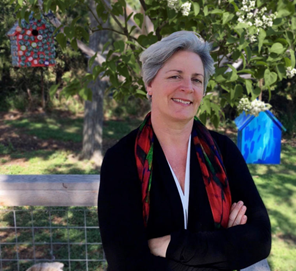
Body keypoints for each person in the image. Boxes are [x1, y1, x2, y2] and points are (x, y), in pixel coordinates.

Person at [98, 31, 271, 271]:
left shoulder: (223, 151)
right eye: (175, 76)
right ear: (150, 83)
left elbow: (260, 239)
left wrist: (169, 245)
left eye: (197, 80)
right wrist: (223, 249)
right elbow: (126, 262)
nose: (187, 87)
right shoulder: (122, 159)